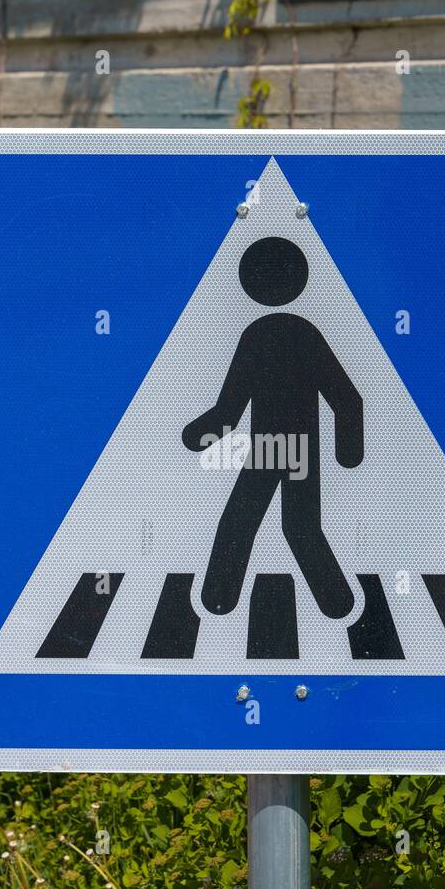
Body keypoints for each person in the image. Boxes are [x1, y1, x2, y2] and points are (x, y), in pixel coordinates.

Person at [183, 236, 363, 619]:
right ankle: (337, 602)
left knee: (240, 520)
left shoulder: (258, 335)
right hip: (300, 448)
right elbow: (347, 399)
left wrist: (196, 437)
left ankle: (220, 596)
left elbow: (228, 410)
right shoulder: (304, 333)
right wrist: (347, 451)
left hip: (270, 447)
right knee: (299, 526)